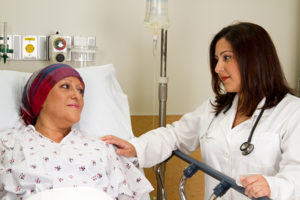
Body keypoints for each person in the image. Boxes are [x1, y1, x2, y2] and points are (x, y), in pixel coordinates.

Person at [101, 22, 300, 200]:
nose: (217, 68)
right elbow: (175, 135)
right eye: (217, 59)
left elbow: (297, 173)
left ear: (254, 59)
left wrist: (272, 185)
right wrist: (137, 147)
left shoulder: (291, 112)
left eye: (226, 58)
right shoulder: (214, 109)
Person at [0, 64, 153, 199]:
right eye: (66, 86)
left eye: (80, 91)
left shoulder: (102, 148)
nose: (76, 95)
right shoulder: (8, 143)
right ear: (40, 96)